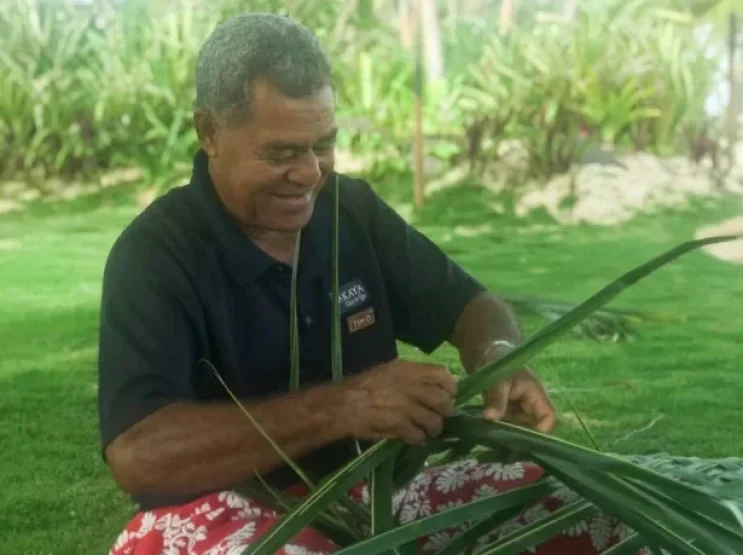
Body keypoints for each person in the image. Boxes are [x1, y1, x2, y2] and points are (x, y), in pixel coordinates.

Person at [98, 12, 629, 555]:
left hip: (377, 494)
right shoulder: (157, 253)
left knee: (600, 510)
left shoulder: (349, 211)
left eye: (322, 144)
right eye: (281, 152)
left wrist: (499, 356)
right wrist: (343, 407)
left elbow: (470, 306)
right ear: (209, 132)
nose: (309, 173)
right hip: (225, 513)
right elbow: (138, 453)